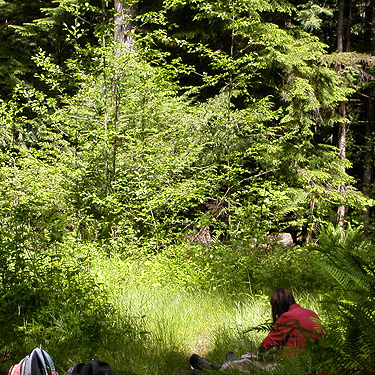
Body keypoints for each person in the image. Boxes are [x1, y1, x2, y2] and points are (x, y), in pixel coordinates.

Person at [190, 288, 323, 372]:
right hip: (312, 364)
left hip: (291, 368)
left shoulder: (287, 317)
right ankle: (232, 361)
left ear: (277, 305)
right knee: (251, 359)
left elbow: (268, 344)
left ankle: (217, 367)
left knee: (247, 362)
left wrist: (257, 355)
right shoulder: (311, 313)